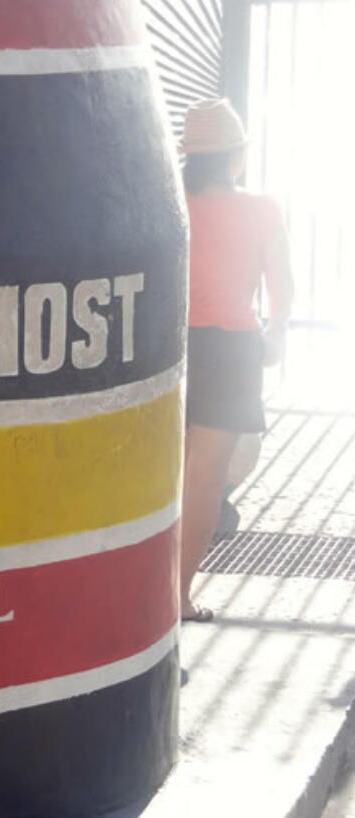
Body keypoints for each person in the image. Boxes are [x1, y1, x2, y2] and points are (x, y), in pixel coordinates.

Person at [179, 97, 293, 622]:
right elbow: (281, 285)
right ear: (236, 156)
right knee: (205, 478)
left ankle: (143, 597)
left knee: (160, 478)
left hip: (172, 348)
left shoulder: (171, 202)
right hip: (230, 350)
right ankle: (175, 599)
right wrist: (277, 338)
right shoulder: (262, 208)